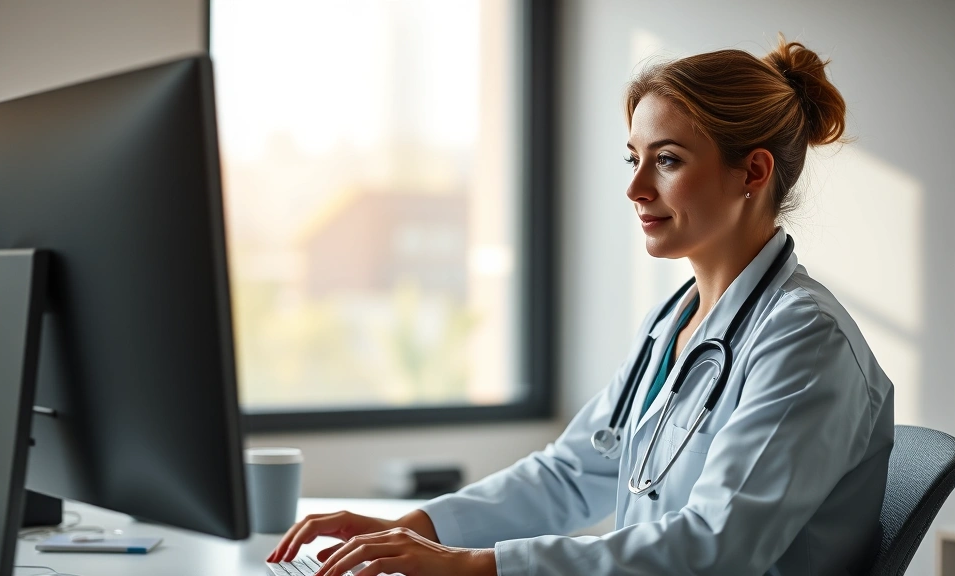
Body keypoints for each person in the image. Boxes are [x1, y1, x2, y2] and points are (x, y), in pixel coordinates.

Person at [267, 34, 894, 576]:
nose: (636, 187)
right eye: (634, 158)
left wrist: (476, 566)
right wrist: (415, 530)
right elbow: (575, 473)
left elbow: (715, 547)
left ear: (752, 172)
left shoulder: (805, 340)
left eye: (667, 160)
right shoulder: (675, 323)